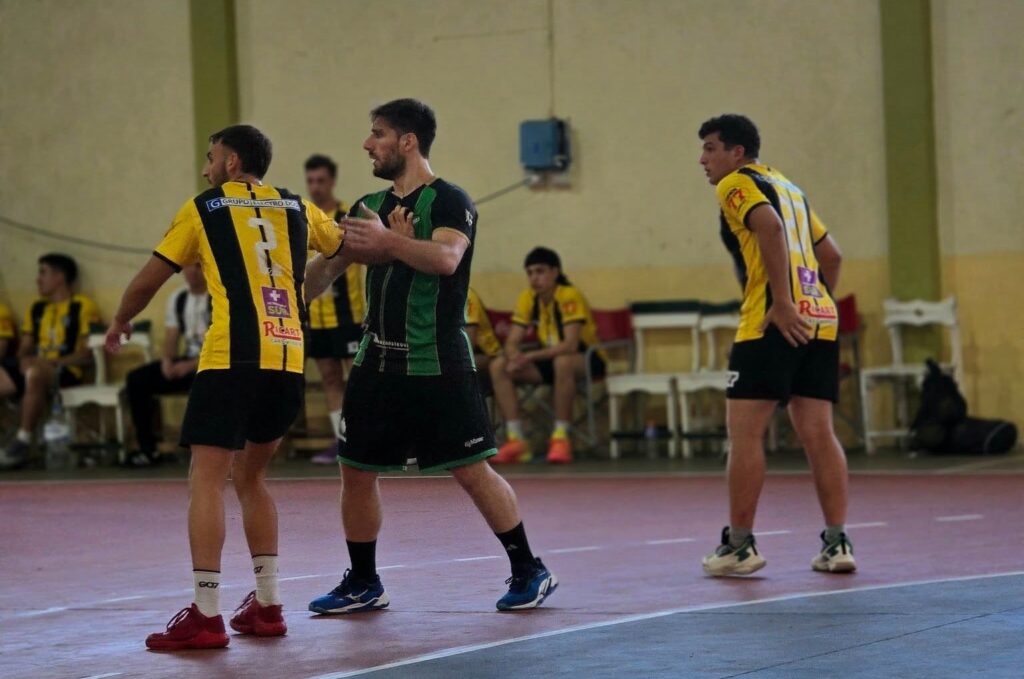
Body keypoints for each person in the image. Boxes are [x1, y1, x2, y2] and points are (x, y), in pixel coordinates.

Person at [304, 98, 557, 614]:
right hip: (376, 358)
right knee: (355, 470)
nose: (367, 144)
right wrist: (313, 267)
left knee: (471, 469)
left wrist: (390, 244)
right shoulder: (367, 207)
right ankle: (363, 581)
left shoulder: (449, 200)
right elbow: (320, 276)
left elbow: (445, 259)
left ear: (407, 141)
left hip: (436, 357)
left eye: (377, 134)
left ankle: (529, 568)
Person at [104, 124, 348, 649]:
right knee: (252, 478)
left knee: (206, 478)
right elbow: (347, 244)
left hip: (231, 357)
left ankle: (207, 613)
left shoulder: (204, 208)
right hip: (287, 356)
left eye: (211, 156)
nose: (205, 167)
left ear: (232, 162)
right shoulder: (298, 206)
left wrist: (122, 319)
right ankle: (267, 605)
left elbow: (153, 276)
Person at [696, 113, 854, 576]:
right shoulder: (790, 187)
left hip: (771, 324)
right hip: (821, 320)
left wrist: (783, 302)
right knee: (819, 434)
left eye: (710, 148)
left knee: (744, 434)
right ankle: (837, 542)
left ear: (736, 152)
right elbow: (832, 255)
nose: (703, 159)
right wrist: (814, 299)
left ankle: (740, 547)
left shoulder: (736, 184)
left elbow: (768, 228)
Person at [488, 247, 606, 465]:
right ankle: (516, 440)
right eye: (530, 273)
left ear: (555, 271)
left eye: (540, 271)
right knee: (498, 366)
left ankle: (561, 438)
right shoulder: (527, 298)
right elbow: (513, 340)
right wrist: (514, 356)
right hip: (549, 359)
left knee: (563, 362)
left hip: (586, 358)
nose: (534, 278)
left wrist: (529, 357)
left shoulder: (569, 295)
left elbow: (570, 345)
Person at [0, 254, 100, 470]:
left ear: (59, 277)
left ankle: (23, 441)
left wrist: (43, 362)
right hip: (32, 367)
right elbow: (25, 347)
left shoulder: (83, 306)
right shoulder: (37, 308)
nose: (38, 279)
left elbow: (85, 354)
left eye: (42, 273)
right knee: (22, 372)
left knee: (35, 373)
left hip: (65, 371)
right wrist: (23, 361)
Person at [302, 154, 366, 464]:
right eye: (311, 180)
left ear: (332, 182)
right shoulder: (303, 220)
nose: (315, 187)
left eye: (321, 180)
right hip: (316, 316)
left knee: (357, 378)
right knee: (329, 378)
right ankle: (342, 440)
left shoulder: (347, 218)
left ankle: (365, 437)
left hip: (350, 316)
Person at [123, 261, 211, 466]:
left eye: (198, 266)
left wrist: (191, 366)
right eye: (189, 266)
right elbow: (172, 335)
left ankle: (208, 450)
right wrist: (167, 362)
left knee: (216, 380)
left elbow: (228, 342)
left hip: (215, 362)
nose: (192, 271)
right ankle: (148, 449)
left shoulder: (220, 296)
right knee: (137, 380)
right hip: (187, 359)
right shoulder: (178, 298)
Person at [465, 286, 501, 389]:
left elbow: (468, 347)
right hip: (465, 354)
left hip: (488, 354)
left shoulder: (467, 295)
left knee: (451, 367)